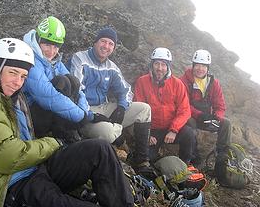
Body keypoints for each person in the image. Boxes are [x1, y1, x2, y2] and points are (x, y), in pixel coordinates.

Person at [0, 38, 134, 207]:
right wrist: (55, 143)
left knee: (99, 149)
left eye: (23, 76)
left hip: (32, 168)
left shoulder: (12, 98)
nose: (18, 82)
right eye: (13, 73)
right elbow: (7, 157)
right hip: (5, 185)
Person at [67, 26, 152, 174]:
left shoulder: (111, 67)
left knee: (144, 109)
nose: (106, 46)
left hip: (105, 108)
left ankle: (141, 160)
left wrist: (121, 108)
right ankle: (120, 141)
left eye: (111, 44)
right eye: (103, 41)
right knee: (108, 133)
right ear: (95, 42)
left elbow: (125, 90)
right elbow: (76, 92)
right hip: (84, 112)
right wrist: (90, 114)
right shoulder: (79, 58)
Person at [22, 16, 94, 143]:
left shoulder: (55, 61)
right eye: (47, 45)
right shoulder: (30, 59)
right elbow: (47, 95)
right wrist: (79, 116)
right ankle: (61, 133)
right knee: (63, 81)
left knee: (72, 80)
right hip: (32, 115)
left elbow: (78, 89)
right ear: (38, 40)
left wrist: (85, 112)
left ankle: (66, 131)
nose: (51, 51)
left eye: (56, 47)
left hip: (50, 113)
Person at [133, 47, 195, 165]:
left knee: (189, 134)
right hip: (152, 130)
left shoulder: (177, 84)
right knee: (147, 158)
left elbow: (185, 110)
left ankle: (185, 164)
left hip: (170, 128)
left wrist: (174, 130)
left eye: (163, 65)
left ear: (168, 67)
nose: (160, 68)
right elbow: (138, 108)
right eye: (157, 64)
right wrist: (147, 134)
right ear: (152, 65)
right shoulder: (142, 82)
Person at [180, 49, 232, 162]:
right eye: (197, 65)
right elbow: (184, 104)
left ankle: (221, 154)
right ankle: (193, 155)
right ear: (193, 65)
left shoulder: (214, 83)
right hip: (191, 116)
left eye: (203, 66)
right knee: (189, 123)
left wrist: (217, 116)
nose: (200, 69)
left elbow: (220, 105)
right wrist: (199, 115)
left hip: (208, 118)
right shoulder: (184, 81)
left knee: (226, 123)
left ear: (207, 68)